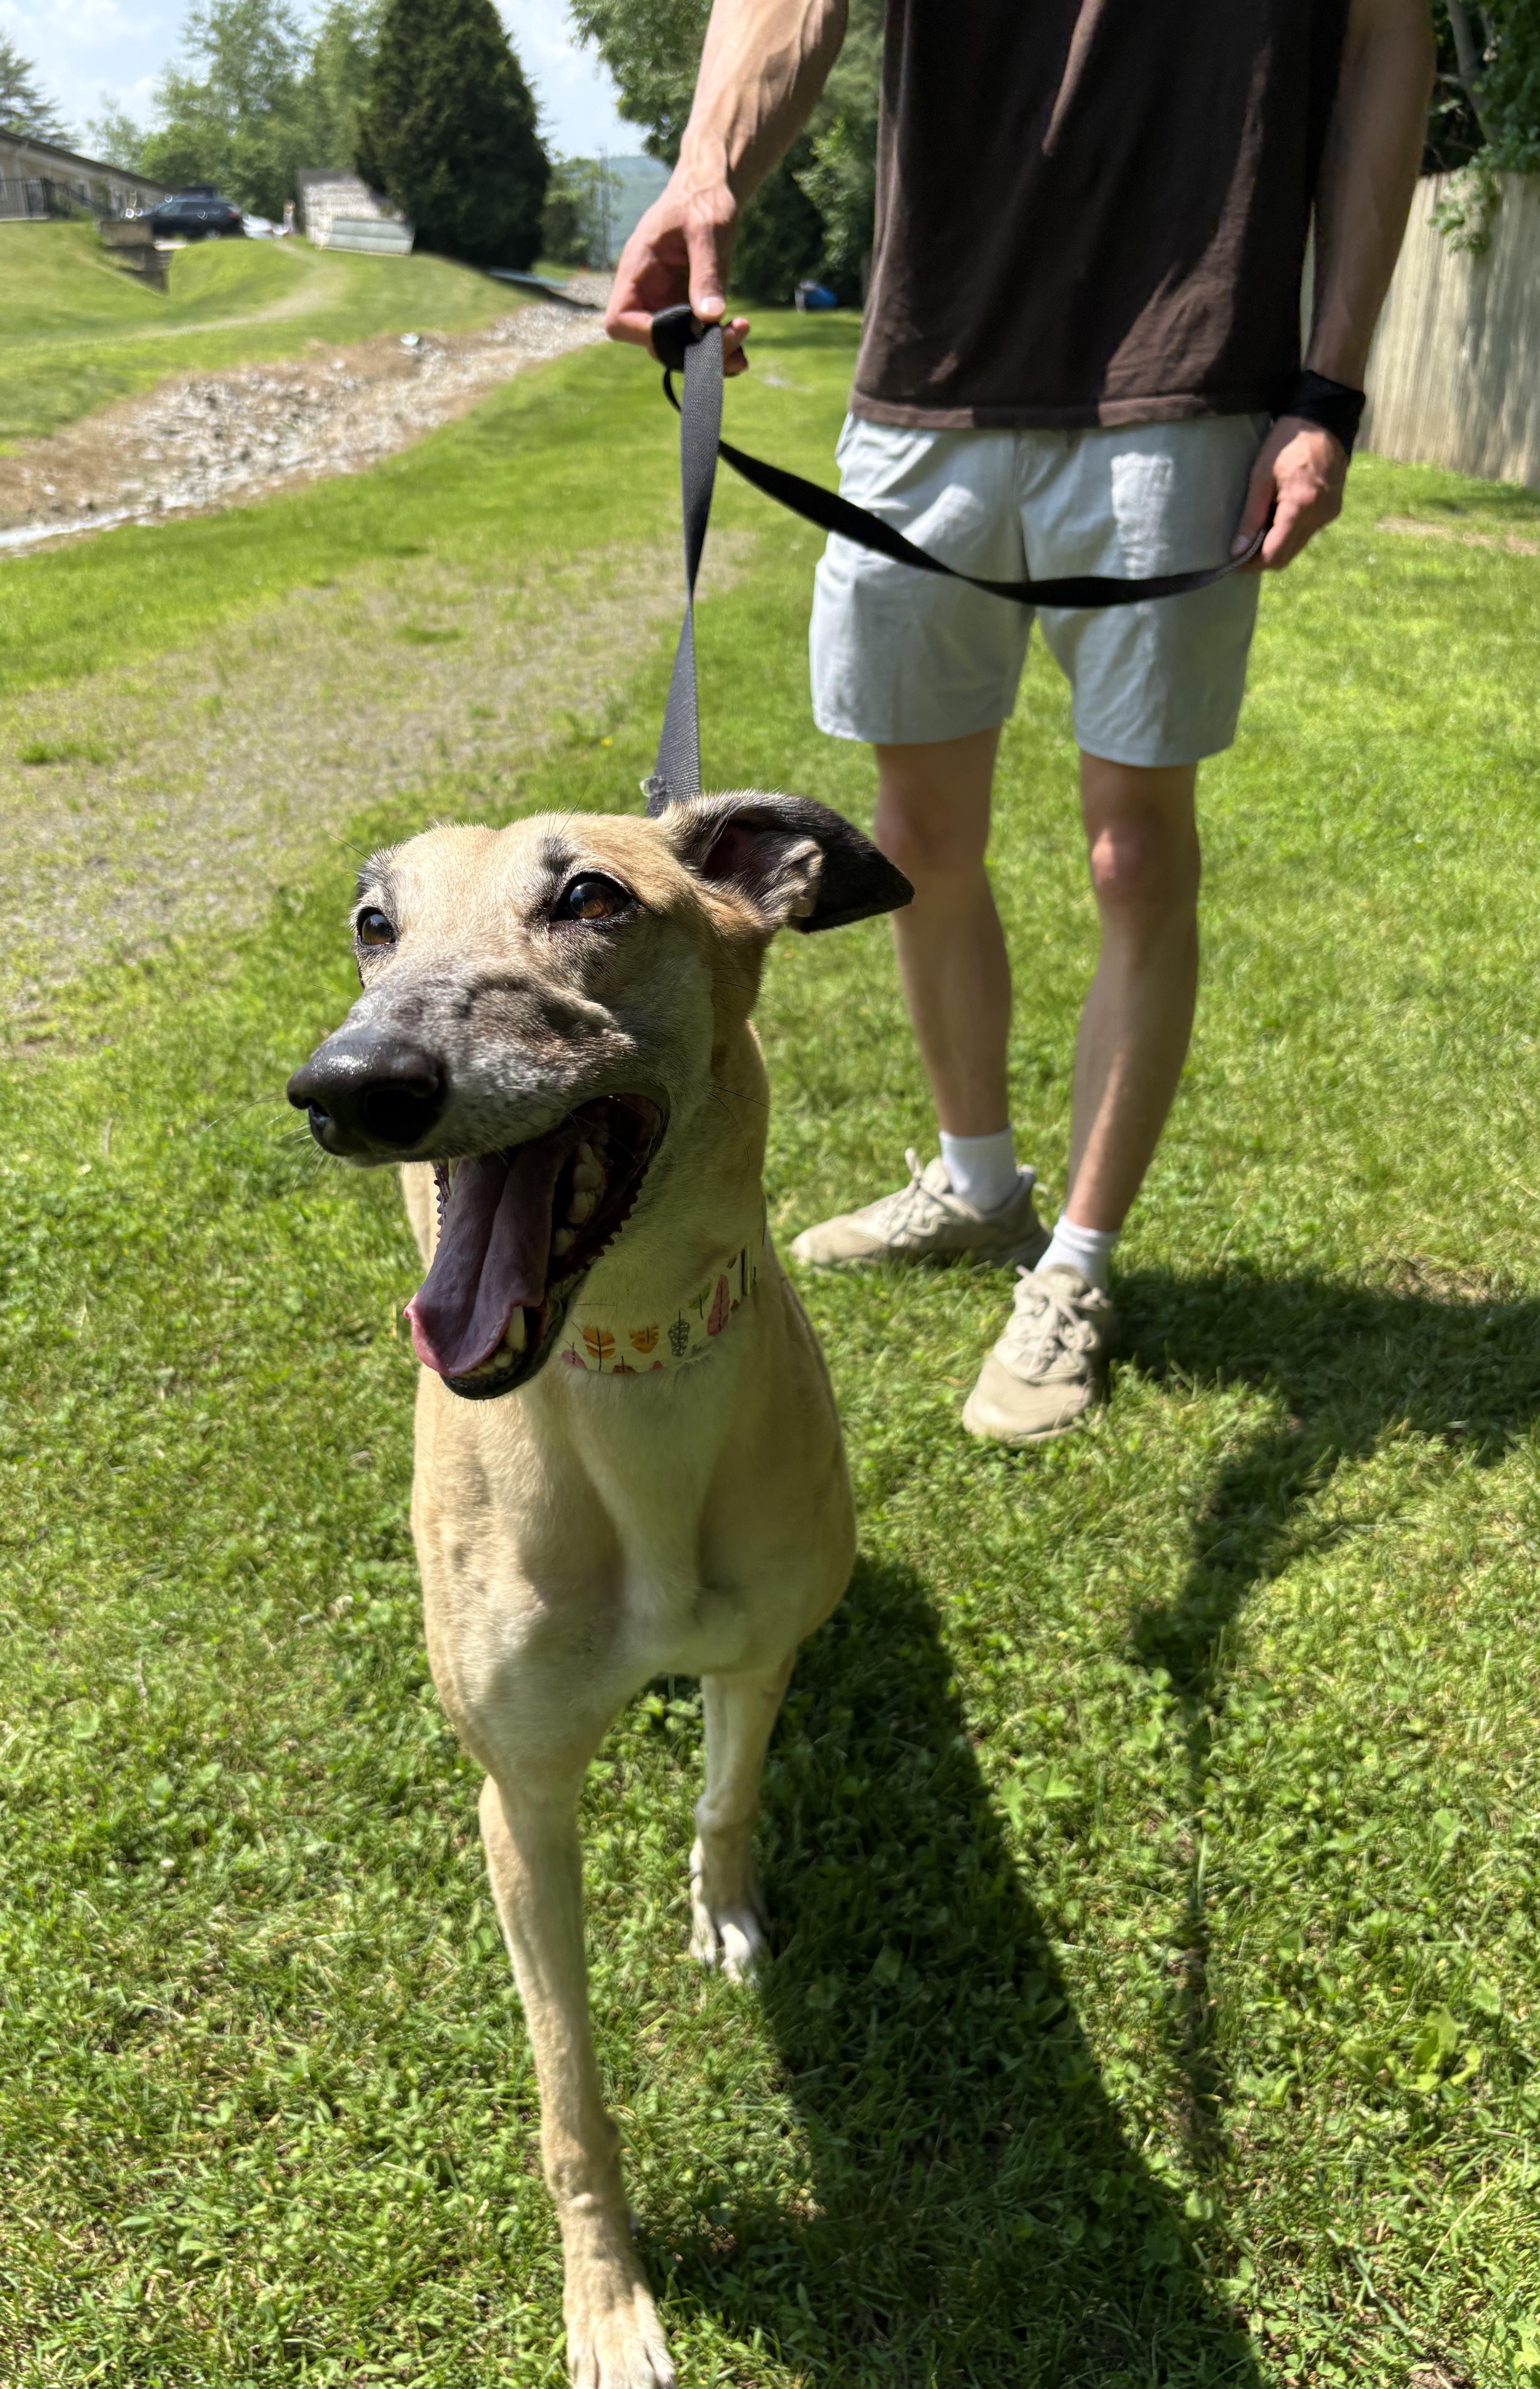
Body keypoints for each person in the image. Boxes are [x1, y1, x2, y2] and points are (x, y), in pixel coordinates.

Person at [607, 0, 1434, 1444]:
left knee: (1132, 855)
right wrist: (706, 163)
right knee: (915, 837)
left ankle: (1078, 1266)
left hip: (1185, 385)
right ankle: (978, 1184)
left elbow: (1381, 45)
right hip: (929, 380)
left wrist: (1330, 386)